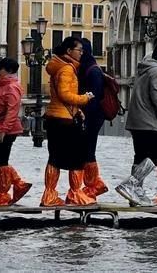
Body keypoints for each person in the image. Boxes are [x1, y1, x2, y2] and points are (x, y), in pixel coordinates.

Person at [116, 37, 157, 207]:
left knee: (140, 157)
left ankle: (134, 194)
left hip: (137, 120)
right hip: (148, 121)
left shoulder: (145, 68)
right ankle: (133, 185)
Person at [40, 36, 96, 207]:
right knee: (77, 158)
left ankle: (49, 195)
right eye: (79, 50)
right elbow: (65, 95)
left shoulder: (60, 67)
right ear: (69, 51)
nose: (81, 53)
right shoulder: (66, 69)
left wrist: (76, 110)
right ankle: (75, 194)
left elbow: (59, 97)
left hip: (57, 117)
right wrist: (84, 99)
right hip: (64, 120)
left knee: (55, 158)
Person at [0, 58, 32, 206]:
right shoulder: (2, 85)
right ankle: (17, 185)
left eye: (0, 68)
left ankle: (4, 194)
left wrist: (3, 129)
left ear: (8, 70)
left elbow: (12, 111)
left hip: (6, 130)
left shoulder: (11, 87)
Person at [76, 38, 108, 199]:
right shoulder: (87, 69)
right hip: (90, 117)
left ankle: (94, 186)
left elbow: (94, 99)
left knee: (88, 151)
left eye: (81, 50)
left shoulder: (92, 71)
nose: (79, 53)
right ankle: (93, 185)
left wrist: (85, 120)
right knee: (86, 151)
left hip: (92, 117)